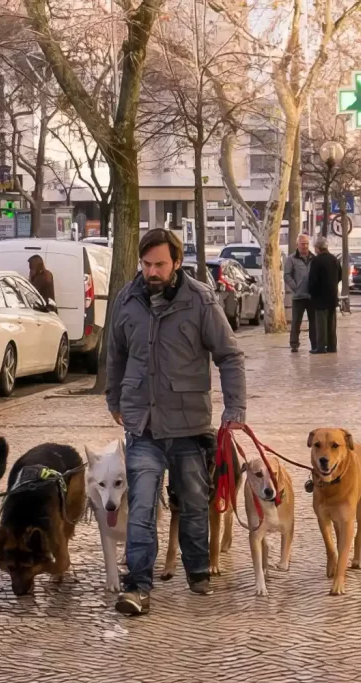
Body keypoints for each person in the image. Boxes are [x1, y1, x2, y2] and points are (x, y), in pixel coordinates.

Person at [105, 228, 246, 616]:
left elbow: (230, 356)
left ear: (177, 262)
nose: (152, 271)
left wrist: (234, 411)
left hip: (189, 424)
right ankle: (138, 586)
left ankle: (198, 571)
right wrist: (113, 397)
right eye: (147, 264)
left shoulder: (200, 299)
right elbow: (115, 353)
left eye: (160, 264)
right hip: (142, 424)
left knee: (195, 504)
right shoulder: (127, 298)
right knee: (143, 507)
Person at [306, 235, 341, 354]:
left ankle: (321, 346)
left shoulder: (316, 261)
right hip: (332, 295)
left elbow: (312, 280)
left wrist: (311, 292)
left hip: (320, 297)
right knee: (331, 323)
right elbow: (340, 275)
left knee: (321, 323)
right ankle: (332, 346)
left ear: (317, 248)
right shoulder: (334, 259)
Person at [284, 233, 316, 353]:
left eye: (307, 244)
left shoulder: (314, 258)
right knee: (296, 321)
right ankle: (294, 344)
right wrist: (295, 287)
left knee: (314, 322)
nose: (305, 246)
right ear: (297, 244)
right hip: (298, 296)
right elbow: (287, 275)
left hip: (312, 295)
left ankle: (315, 343)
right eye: (302, 244)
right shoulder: (291, 259)